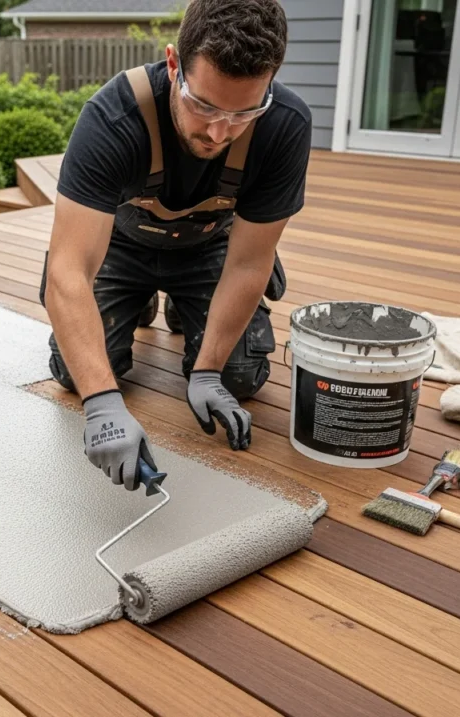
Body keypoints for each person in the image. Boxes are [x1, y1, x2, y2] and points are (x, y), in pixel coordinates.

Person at [39, 0, 311, 490]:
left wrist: (207, 372)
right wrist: (102, 403)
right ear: (173, 64)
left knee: (240, 377)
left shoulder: (286, 125)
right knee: (74, 373)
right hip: (118, 247)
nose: (219, 131)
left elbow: (249, 263)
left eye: (244, 112)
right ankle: (139, 299)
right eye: (203, 105)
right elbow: (68, 268)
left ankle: (187, 308)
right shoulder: (113, 117)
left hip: (211, 249)